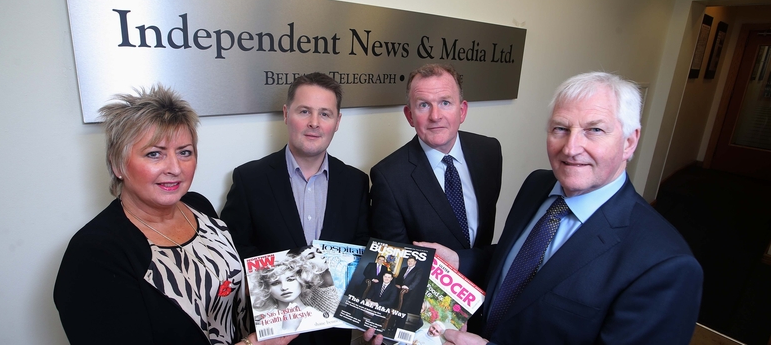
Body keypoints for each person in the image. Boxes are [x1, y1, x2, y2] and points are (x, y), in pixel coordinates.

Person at [411, 72, 704, 345]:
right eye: (560, 129)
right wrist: (461, 261)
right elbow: (517, 263)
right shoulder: (538, 185)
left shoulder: (666, 267)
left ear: (629, 141)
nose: (571, 148)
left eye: (595, 130)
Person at [54, 85, 294, 345]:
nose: (174, 168)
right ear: (117, 163)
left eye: (184, 152)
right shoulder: (94, 254)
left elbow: (222, 282)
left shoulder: (197, 205)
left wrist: (304, 287)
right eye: (154, 154)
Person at [220, 72, 369, 344]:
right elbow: (232, 250)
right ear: (287, 114)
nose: (314, 123)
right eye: (304, 111)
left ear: (337, 122)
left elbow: (361, 248)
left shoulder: (356, 182)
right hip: (274, 334)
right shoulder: (250, 179)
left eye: (325, 114)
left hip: (333, 336)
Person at [369, 64, 502, 256]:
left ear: (462, 111)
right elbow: (397, 265)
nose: (435, 116)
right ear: (410, 116)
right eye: (423, 105)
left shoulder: (489, 152)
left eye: (445, 103)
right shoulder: (388, 177)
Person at [249, 250, 336, 338]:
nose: (284, 287)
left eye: (290, 279)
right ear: (266, 288)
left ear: (301, 280)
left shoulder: (319, 317)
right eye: (275, 283)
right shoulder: (262, 322)